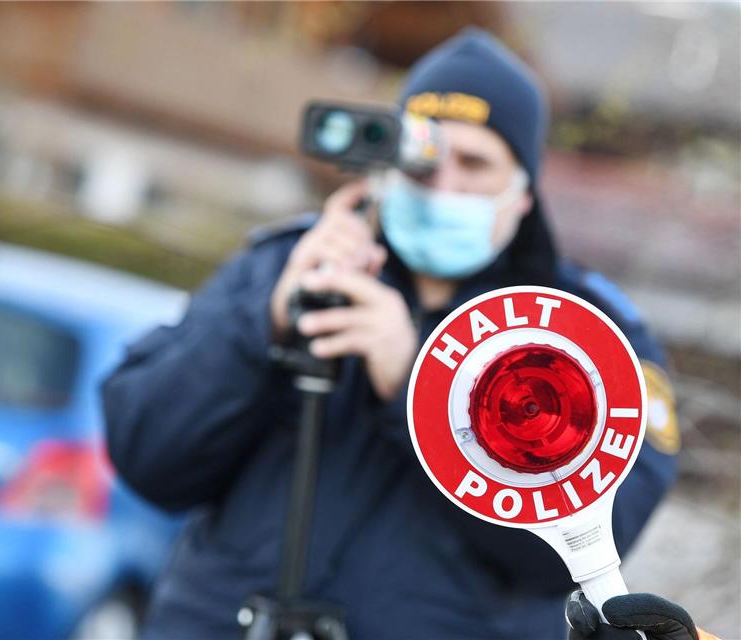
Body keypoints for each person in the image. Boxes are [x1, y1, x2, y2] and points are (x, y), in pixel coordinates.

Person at [103, 28, 685, 639]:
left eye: (476, 164)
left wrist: (422, 385)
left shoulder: (582, 331)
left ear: (523, 195)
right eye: (425, 160)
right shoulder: (286, 267)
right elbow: (146, 455)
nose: (444, 186)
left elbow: (595, 542)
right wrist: (263, 323)